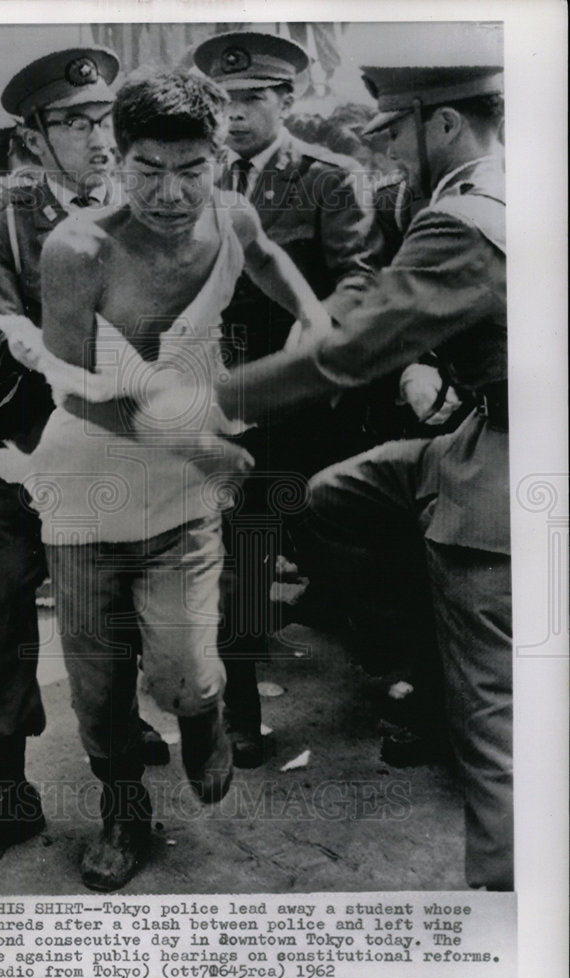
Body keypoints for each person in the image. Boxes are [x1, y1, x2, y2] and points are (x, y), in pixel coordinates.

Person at [5, 68, 333, 892]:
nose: (169, 192)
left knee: (187, 665)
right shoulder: (77, 249)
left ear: (218, 159)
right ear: (115, 158)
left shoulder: (233, 215)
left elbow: (266, 259)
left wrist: (316, 321)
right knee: (97, 673)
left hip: (182, 488)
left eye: (191, 169)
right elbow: (79, 393)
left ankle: (204, 717)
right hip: (87, 483)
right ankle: (124, 810)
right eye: (146, 168)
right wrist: (201, 447)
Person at [207, 64, 510, 891]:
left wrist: (206, 401)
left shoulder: (456, 215)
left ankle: (509, 902)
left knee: (497, 714)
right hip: (478, 416)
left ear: (442, 123)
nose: (387, 151)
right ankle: (407, 647)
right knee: (330, 499)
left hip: (508, 443)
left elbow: (352, 332)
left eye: (394, 130)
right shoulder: (506, 182)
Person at [0, 45, 124, 878]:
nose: (100, 138)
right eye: (77, 123)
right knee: (0, 618)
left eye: (106, 118)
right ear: (35, 138)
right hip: (21, 449)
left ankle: (126, 805)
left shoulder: (156, 212)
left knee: (106, 627)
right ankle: (7, 796)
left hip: (123, 457)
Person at [191, 30, 386, 767]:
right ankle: (240, 707)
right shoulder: (196, 183)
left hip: (302, 396)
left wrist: (314, 338)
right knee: (240, 552)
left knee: (325, 538)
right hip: (216, 392)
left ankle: (395, 670)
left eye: (251, 99)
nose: (234, 116)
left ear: (287, 99)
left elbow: (360, 278)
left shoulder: (328, 177)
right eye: (224, 102)